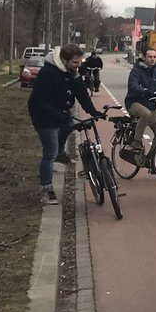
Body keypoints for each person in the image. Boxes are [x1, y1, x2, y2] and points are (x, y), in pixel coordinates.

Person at [28, 43, 104, 205]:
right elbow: (38, 101)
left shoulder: (73, 73)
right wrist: (57, 115)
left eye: (80, 62)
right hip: (44, 116)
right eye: (75, 62)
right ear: (64, 60)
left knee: (68, 126)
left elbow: (81, 94)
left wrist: (93, 112)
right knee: (50, 151)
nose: (78, 65)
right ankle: (46, 188)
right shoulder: (48, 73)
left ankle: (60, 153)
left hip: (61, 113)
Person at [123, 48, 156, 163]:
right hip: (134, 103)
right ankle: (136, 141)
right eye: (150, 57)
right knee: (146, 114)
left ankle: (150, 159)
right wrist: (144, 91)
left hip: (150, 105)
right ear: (144, 58)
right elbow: (133, 86)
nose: (153, 59)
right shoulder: (136, 71)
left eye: (154, 57)